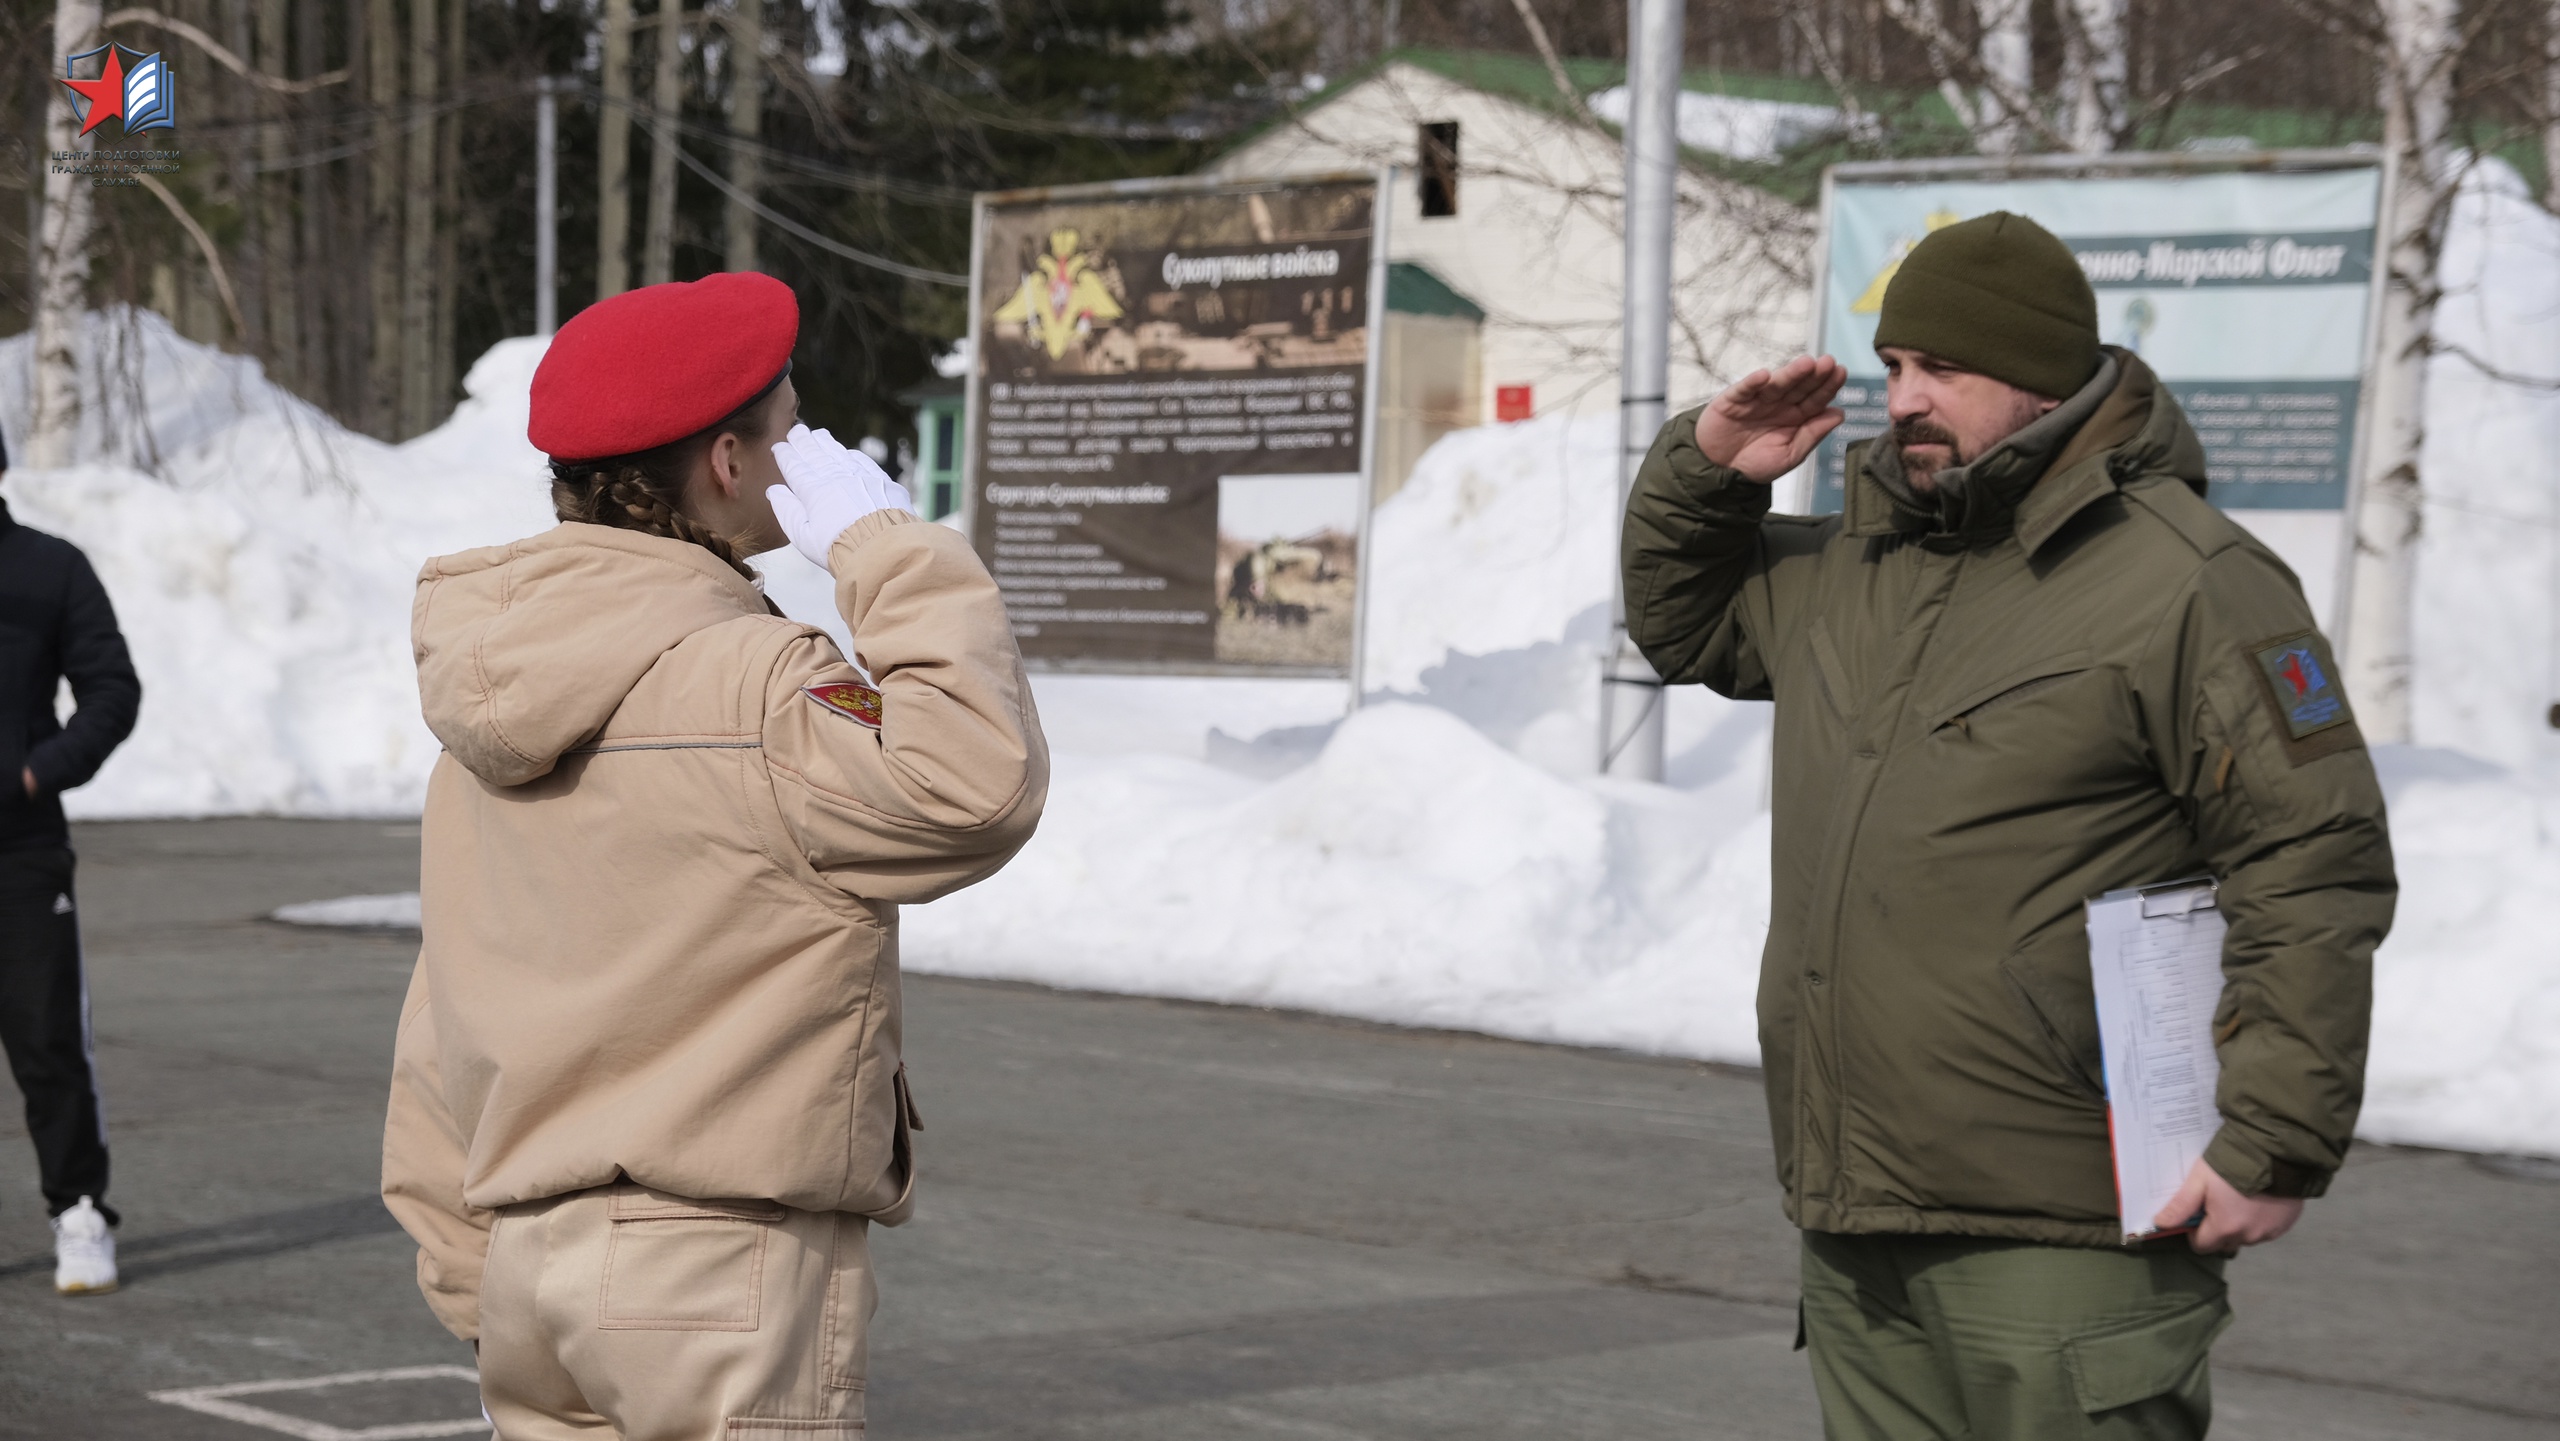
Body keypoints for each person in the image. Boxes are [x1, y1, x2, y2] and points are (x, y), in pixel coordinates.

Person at [1620, 212, 2394, 1440]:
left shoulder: (2187, 580)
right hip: (1860, 1209)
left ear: (2039, 375)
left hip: (2069, 1227)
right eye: (1891, 369)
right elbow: (1687, 622)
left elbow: (2311, 859)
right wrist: (1707, 471)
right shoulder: (1864, 564)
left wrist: (2277, 1136)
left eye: (1943, 370)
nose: (1904, 401)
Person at [382, 272, 1048, 1438]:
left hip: (524, 1266)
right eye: (791, 431)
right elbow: (973, 785)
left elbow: (443, 1023)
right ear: (732, 467)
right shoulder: (758, 682)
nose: (809, 456)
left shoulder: (484, 710)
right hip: (714, 1269)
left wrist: (469, 1272)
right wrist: (881, 545)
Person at [0, 430, 142, 1297]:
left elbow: (111, 689)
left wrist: (35, 770)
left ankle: (80, 1209)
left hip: (20, 850)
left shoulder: (49, 567)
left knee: (49, 1037)